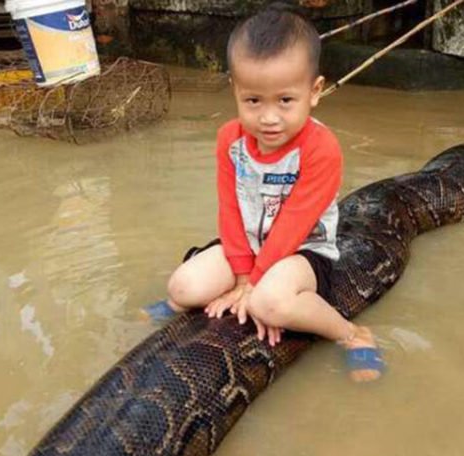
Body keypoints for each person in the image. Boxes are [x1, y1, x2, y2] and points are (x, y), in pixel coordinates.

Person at [143, 3, 383, 382]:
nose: (268, 118)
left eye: (285, 100)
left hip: (303, 253)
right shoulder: (230, 140)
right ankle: (181, 303)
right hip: (248, 247)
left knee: (268, 303)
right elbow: (230, 210)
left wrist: (252, 286)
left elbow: (294, 224)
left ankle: (352, 334)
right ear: (235, 91)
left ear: (314, 91)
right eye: (253, 100)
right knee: (183, 286)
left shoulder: (321, 149)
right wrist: (241, 276)